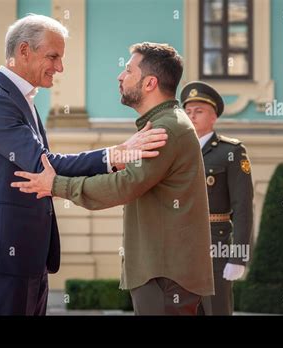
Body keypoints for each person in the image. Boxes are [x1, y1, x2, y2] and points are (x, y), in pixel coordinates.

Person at [0, 15, 168, 316]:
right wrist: (117, 154)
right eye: (53, 56)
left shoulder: (19, 99)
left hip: (26, 253)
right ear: (23, 52)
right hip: (4, 251)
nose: (60, 67)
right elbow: (43, 165)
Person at [11, 42, 215, 315]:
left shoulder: (166, 129)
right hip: (163, 271)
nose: (120, 76)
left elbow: (124, 185)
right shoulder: (165, 123)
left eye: (129, 71)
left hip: (165, 274)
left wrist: (55, 185)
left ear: (149, 83)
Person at [180, 81, 254, 315]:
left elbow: (242, 207)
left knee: (216, 310)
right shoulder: (177, 151)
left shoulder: (230, 152)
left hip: (216, 245)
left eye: (199, 111)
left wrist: (238, 257)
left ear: (213, 117)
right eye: (188, 112)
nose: (192, 116)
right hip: (179, 244)